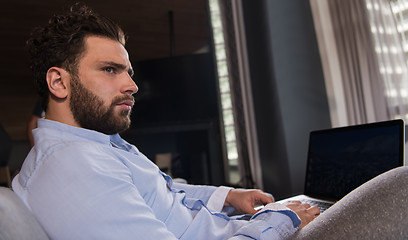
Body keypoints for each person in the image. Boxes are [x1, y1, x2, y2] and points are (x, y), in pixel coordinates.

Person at [11, 3, 319, 240]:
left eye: (128, 72)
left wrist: (229, 196)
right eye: (109, 69)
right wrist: (282, 223)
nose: (131, 85)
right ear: (59, 83)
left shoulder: (95, 144)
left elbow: (163, 192)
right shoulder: (72, 166)